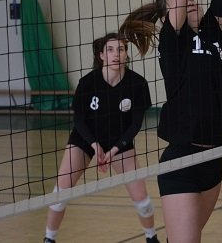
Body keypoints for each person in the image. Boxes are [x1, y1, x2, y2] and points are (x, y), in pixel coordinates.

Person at [119, 0, 222, 243]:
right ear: (170, 11)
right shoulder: (174, 40)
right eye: (181, 0)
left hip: (215, 156)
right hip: (181, 158)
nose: (190, 0)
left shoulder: (213, 31)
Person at [43, 33, 159, 243]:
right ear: (102, 55)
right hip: (85, 139)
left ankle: (151, 237)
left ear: (126, 55)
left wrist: (114, 149)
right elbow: (78, 120)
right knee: (60, 193)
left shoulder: (137, 84)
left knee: (142, 199)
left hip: (119, 141)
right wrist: (95, 146)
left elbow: (135, 125)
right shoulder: (88, 83)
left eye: (121, 49)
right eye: (110, 50)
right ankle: (49, 239)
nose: (116, 54)